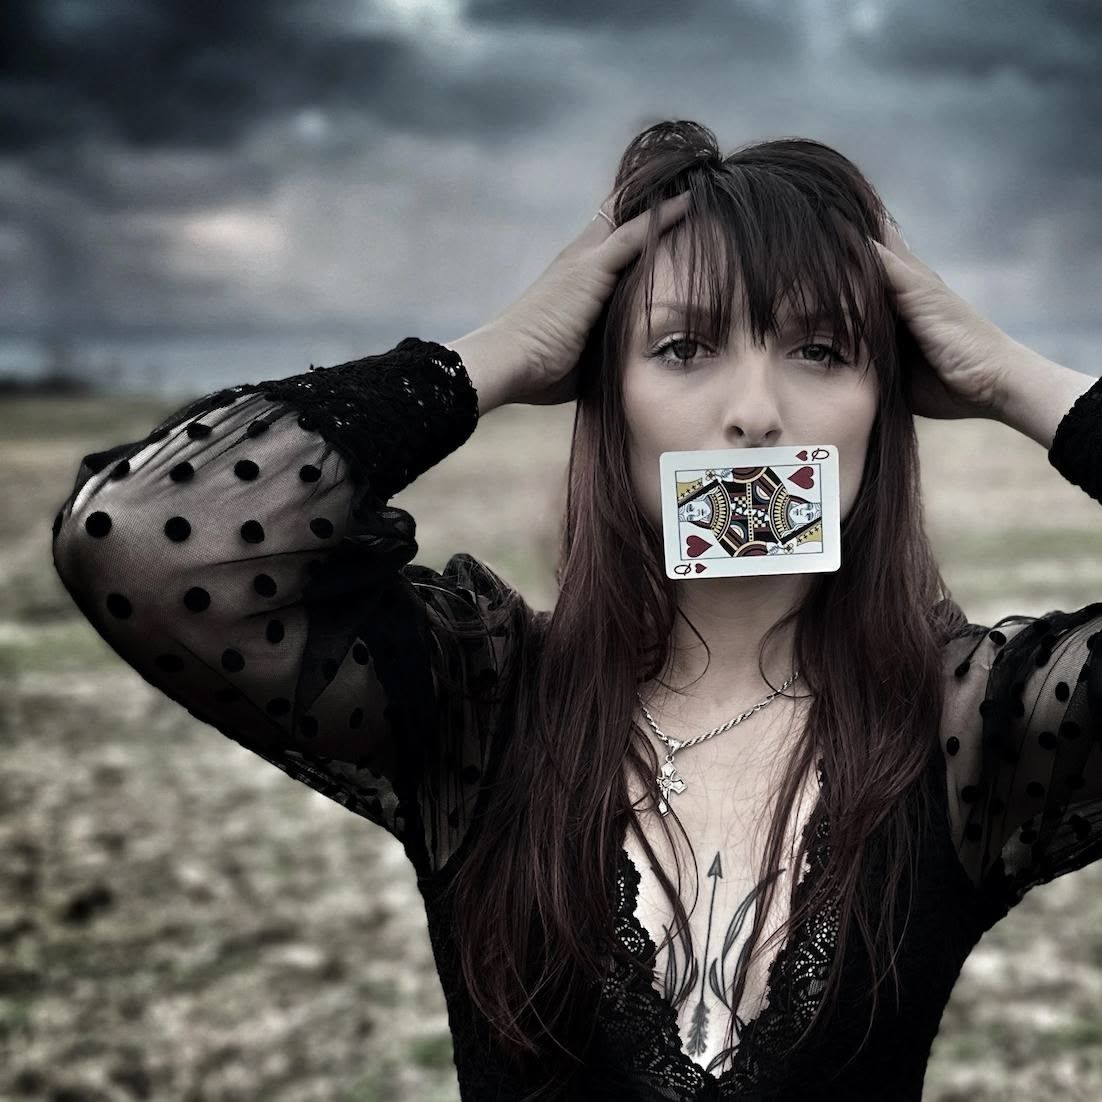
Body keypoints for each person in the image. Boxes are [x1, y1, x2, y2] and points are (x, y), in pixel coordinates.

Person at [50, 120, 1102, 1101]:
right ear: (605, 393)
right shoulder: (482, 700)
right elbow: (140, 534)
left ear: (892, 394)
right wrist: (493, 356)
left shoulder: (971, 731)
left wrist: (1012, 377)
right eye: (683, 349)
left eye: (821, 350)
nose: (753, 413)